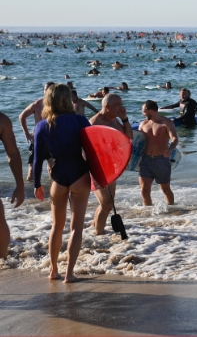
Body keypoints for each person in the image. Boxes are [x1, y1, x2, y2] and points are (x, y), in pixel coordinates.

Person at [33, 84, 92, 282]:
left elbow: (37, 158)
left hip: (57, 176)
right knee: (76, 228)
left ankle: (54, 271)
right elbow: (95, 150)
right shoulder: (80, 120)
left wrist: (36, 185)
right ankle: (69, 275)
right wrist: (101, 177)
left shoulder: (42, 125)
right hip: (79, 174)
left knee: (56, 227)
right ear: (68, 99)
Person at [88, 94, 133, 235]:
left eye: (121, 104)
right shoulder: (94, 123)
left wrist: (124, 118)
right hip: (96, 167)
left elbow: (129, 137)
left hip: (111, 167)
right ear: (107, 106)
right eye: (118, 105)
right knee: (107, 204)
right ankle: (98, 235)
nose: (121, 107)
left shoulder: (114, 120)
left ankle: (94, 226)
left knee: (108, 203)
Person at [137, 101, 179, 206]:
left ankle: (171, 209)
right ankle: (148, 212)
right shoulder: (143, 124)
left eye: (144, 112)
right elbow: (137, 143)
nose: (143, 114)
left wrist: (170, 149)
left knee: (165, 189)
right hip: (145, 159)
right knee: (144, 190)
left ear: (151, 111)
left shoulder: (166, 122)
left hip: (161, 160)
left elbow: (174, 138)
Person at [0, 111, 25, 259]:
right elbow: (13, 153)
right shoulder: (2, 120)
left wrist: (20, 185)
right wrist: (19, 185)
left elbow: (13, 154)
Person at [19, 82, 54, 181]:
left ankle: (52, 193)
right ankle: (29, 193)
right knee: (31, 170)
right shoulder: (37, 105)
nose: (47, 91)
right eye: (45, 89)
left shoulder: (58, 105)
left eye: (49, 89)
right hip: (38, 140)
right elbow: (22, 116)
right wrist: (26, 133)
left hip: (52, 140)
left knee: (52, 168)